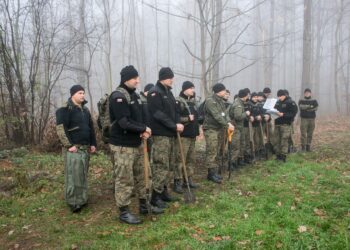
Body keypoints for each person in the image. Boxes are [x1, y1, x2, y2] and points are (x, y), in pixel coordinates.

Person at [109, 66, 163, 224]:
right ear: (126, 79)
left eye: (138, 78)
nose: (138, 81)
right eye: (135, 78)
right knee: (125, 179)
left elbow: (140, 117)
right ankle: (124, 212)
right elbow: (124, 122)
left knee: (143, 175)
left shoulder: (135, 96)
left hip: (138, 143)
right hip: (122, 145)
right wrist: (143, 129)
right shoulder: (118, 96)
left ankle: (144, 205)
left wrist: (145, 130)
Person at [56, 84, 97, 213]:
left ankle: (82, 199)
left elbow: (91, 128)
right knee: (73, 176)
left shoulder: (85, 110)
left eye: (83, 93)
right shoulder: (64, 110)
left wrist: (93, 143)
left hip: (85, 148)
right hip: (73, 149)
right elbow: (61, 129)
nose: (82, 95)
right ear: (72, 94)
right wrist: (69, 145)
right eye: (80, 93)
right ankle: (74, 202)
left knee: (82, 175)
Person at [147, 67, 184, 208]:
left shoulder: (169, 92)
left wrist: (178, 122)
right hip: (161, 134)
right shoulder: (154, 93)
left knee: (168, 164)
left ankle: (163, 191)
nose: (172, 80)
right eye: (170, 77)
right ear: (163, 78)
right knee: (160, 164)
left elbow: (174, 111)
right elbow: (158, 113)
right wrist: (173, 125)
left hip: (171, 134)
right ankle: (155, 196)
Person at [203, 83, 234, 183]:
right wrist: (227, 124)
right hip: (211, 129)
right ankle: (210, 174)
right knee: (211, 150)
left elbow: (225, 114)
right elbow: (216, 115)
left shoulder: (220, 101)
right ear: (219, 91)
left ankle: (214, 171)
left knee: (216, 150)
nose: (225, 92)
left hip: (219, 129)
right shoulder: (210, 101)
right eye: (224, 90)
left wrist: (228, 122)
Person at [173, 81, 199, 193]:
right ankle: (177, 181)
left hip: (192, 134)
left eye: (193, 88)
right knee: (180, 159)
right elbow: (175, 118)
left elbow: (196, 119)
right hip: (183, 136)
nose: (193, 90)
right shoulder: (178, 101)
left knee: (191, 159)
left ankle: (188, 179)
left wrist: (197, 131)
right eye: (191, 88)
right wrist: (187, 119)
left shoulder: (193, 102)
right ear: (185, 89)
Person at [273, 89, 298, 162]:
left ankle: (283, 156)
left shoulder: (290, 102)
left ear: (284, 95)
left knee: (284, 140)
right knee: (277, 140)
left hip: (286, 124)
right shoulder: (277, 103)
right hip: (277, 124)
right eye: (278, 96)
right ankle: (278, 155)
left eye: (281, 96)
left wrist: (283, 114)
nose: (279, 98)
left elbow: (293, 113)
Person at [228, 89, 250, 169]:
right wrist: (246, 113)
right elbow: (238, 116)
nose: (247, 97)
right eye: (247, 96)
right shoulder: (238, 104)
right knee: (235, 146)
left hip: (239, 127)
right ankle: (232, 163)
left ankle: (237, 161)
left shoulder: (240, 103)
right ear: (244, 96)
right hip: (236, 128)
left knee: (241, 144)